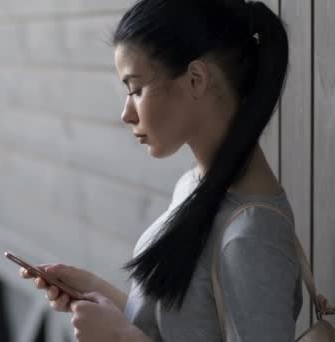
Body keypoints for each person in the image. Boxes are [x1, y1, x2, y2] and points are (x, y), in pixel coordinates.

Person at [18, 1, 316, 341]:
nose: (126, 114)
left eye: (136, 89)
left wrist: (118, 338)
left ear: (195, 79)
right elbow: (177, 328)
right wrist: (99, 294)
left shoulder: (252, 236)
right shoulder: (194, 185)